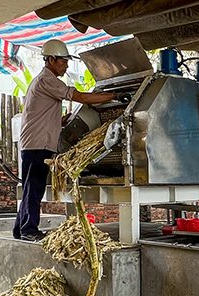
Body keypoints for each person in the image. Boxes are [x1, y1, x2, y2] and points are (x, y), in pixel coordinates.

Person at [14, 39, 119, 242]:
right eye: (63, 61)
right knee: (34, 188)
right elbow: (81, 97)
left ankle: (20, 229)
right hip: (38, 144)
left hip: (34, 142)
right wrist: (112, 96)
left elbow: (42, 112)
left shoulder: (41, 81)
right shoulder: (48, 80)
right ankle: (29, 230)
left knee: (30, 188)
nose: (66, 65)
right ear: (51, 60)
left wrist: (60, 120)